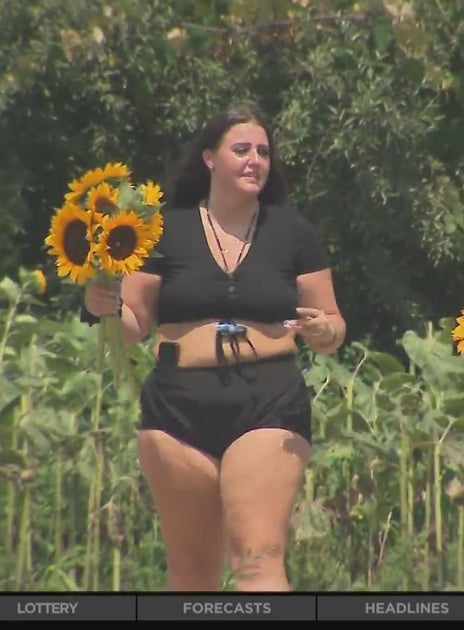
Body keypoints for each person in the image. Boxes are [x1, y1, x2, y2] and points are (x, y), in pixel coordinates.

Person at [80, 105, 345, 591]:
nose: (255, 161)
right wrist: (104, 307)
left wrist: (324, 332)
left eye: (263, 152)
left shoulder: (293, 233)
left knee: (257, 561)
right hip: (176, 405)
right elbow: (135, 323)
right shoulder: (163, 228)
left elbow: (332, 324)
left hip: (268, 400)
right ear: (209, 158)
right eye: (241, 150)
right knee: (191, 574)